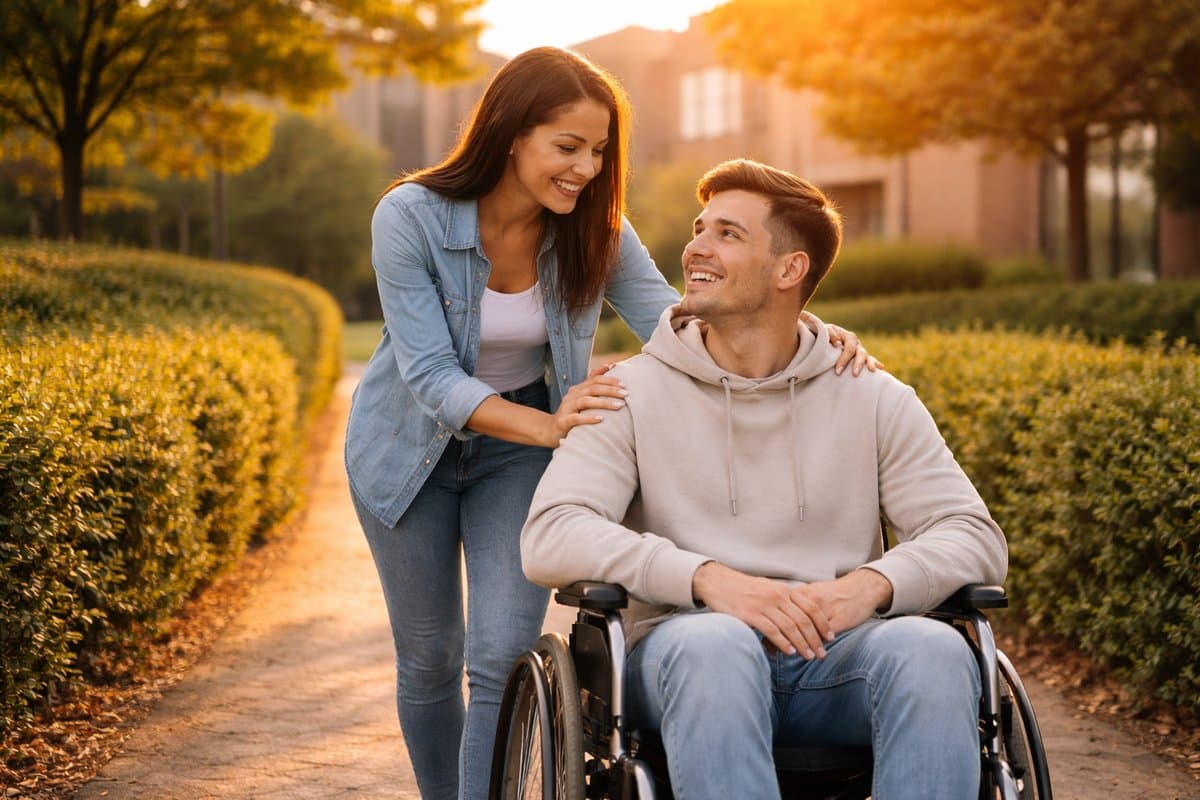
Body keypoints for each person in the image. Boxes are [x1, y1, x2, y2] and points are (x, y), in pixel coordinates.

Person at [345, 47, 876, 800]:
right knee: (430, 657)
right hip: (406, 454)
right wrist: (553, 429)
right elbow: (431, 377)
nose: (587, 169)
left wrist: (809, 330)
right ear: (510, 133)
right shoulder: (409, 216)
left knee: (499, 655)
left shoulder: (596, 227)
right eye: (568, 148)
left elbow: (678, 314)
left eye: (598, 151)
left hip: (516, 456)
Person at [521, 158, 1009, 799]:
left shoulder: (871, 395)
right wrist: (706, 579)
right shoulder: (628, 394)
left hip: (835, 657)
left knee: (934, 652)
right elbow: (551, 534)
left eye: (727, 233)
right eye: (700, 228)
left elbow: (973, 534)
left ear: (789, 269)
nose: (695, 246)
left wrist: (869, 587)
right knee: (716, 646)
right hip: (681, 656)